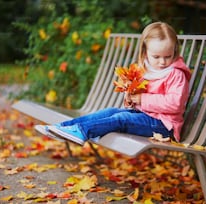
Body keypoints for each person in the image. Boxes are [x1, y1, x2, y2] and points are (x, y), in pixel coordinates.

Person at [37, 22, 191, 145]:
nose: (162, 62)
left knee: (121, 119)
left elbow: (175, 104)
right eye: (156, 56)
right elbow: (136, 100)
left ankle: (81, 132)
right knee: (110, 112)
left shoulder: (175, 74)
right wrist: (130, 98)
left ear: (174, 51)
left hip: (163, 126)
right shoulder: (145, 69)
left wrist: (142, 99)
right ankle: (63, 127)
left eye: (167, 56)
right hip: (144, 116)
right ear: (145, 52)